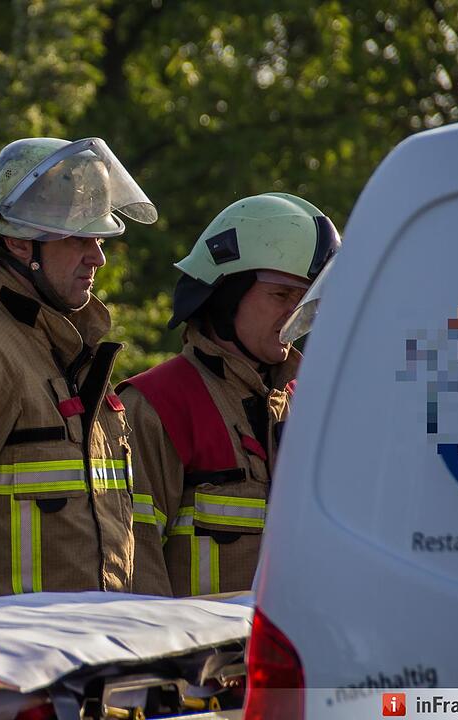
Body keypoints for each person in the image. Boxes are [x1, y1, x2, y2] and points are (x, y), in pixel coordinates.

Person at [0, 136, 171, 597]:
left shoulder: (72, 351)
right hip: (7, 663)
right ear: (17, 241)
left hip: (95, 654)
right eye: (78, 238)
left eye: (98, 237)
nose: (98, 256)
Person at [117, 192, 340, 596]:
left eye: (306, 298)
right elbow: (135, 569)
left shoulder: (313, 404)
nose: (297, 314)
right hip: (198, 657)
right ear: (225, 295)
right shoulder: (155, 407)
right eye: (281, 295)